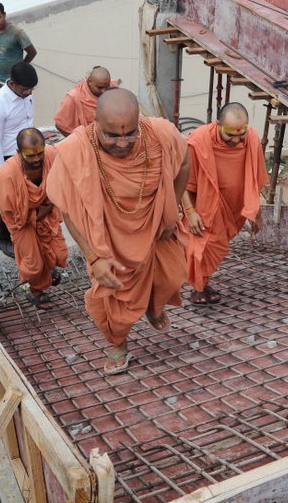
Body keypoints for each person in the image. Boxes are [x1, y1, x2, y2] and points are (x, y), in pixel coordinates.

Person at [47, 88, 191, 375]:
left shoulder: (161, 134)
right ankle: (119, 346)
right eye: (112, 135)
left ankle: (153, 306)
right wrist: (92, 257)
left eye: (130, 134)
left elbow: (186, 161)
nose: (122, 144)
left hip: (156, 226)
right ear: (95, 121)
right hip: (107, 240)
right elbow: (67, 210)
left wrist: (171, 210)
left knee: (172, 279)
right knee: (114, 299)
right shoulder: (76, 150)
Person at [182, 103, 269, 306]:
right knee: (202, 245)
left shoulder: (252, 138)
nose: (236, 140)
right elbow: (182, 179)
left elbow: (255, 177)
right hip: (204, 206)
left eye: (241, 134)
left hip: (234, 207)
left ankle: (203, 284)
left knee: (216, 246)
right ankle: (198, 288)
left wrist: (256, 212)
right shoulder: (199, 140)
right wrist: (190, 211)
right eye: (230, 135)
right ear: (218, 125)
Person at [0, 128, 67, 309]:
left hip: (46, 211)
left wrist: (49, 206)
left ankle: (47, 270)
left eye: (40, 153)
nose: (37, 159)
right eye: (30, 156)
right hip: (21, 220)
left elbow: (65, 179)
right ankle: (33, 290)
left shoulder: (51, 154)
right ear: (19, 152)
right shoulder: (8, 172)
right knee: (34, 266)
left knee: (59, 254)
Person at [0, 61, 39, 257]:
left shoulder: (25, 94)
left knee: (29, 197)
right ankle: (2, 238)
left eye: (32, 89)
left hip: (27, 154)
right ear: (12, 83)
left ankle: (26, 229)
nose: (29, 93)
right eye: (25, 89)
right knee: (11, 201)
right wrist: (2, 174)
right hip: (8, 158)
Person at [53, 66, 117, 137]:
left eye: (107, 87)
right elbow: (60, 125)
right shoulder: (73, 97)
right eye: (99, 87)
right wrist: (80, 141)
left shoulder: (113, 88)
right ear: (89, 81)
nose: (104, 91)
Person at [0, 2, 36, 84]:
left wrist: (21, 68)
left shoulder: (16, 32)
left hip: (14, 81)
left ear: (4, 15)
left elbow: (32, 52)